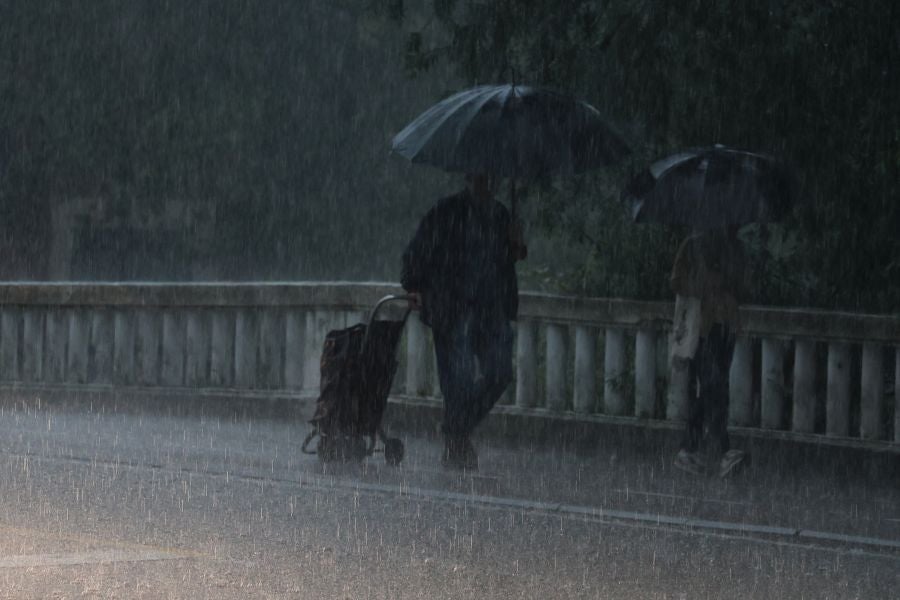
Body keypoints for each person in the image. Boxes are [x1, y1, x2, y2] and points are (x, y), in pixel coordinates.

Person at [400, 173, 525, 470]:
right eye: (481, 176)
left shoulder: (500, 215)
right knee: (457, 381)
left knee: (499, 372)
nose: (487, 183)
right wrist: (414, 286)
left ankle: (456, 430)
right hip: (451, 309)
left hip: (490, 308)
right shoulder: (446, 212)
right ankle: (457, 441)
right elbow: (415, 254)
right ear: (470, 178)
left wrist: (515, 246)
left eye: (491, 177)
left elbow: (505, 261)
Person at [669, 225, 747, 478]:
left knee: (717, 386)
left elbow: (742, 285)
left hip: (727, 325)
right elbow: (677, 282)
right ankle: (722, 449)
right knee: (713, 385)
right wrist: (703, 282)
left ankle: (690, 448)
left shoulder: (734, 248)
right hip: (702, 328)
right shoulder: (693, 246)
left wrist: (727, 280)